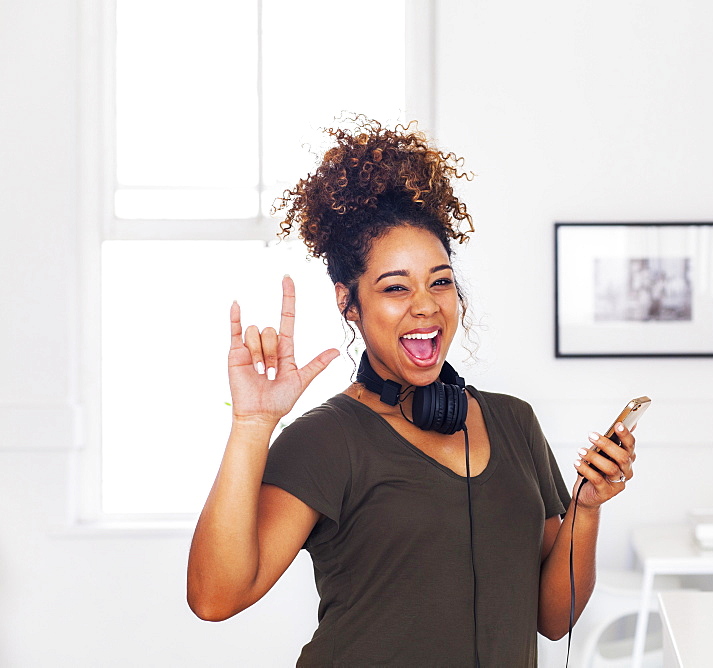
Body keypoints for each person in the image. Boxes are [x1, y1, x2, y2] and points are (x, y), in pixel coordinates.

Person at [186, 117, 637, 666]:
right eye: (395, 287)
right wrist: (253, 426)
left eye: (440, 281)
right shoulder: (326, 440)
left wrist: (585, 510)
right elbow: (215, 598)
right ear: (349, 303)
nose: (426, 305)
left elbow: (552, 619)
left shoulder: (514, 423)